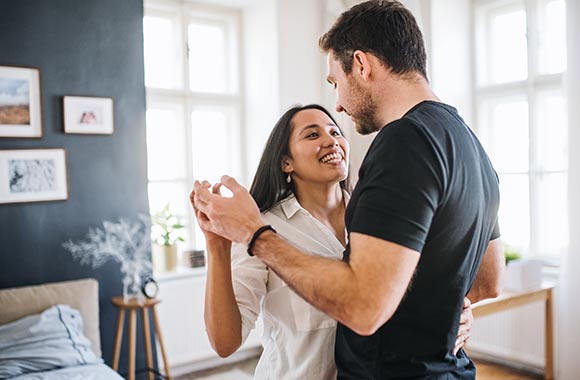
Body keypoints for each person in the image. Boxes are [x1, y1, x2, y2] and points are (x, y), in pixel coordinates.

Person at [191, 1, 505, 378]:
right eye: (312, 133)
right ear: (284, 161)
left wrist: (255, 235)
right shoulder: (470, 143)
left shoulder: (403, 142)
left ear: (361, 64)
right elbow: (487, 281)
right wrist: (443, 315)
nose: (338, 106)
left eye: (335, 83)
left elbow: (365, 307)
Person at [194, 104, 474, 379]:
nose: (331, 141)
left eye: (335, 132)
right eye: (313, 135)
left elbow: (408, 292)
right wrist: (217, 247)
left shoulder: (383, 217)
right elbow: (225, 343)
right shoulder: (260, 228)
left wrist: (455, 316)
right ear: (285, 162)